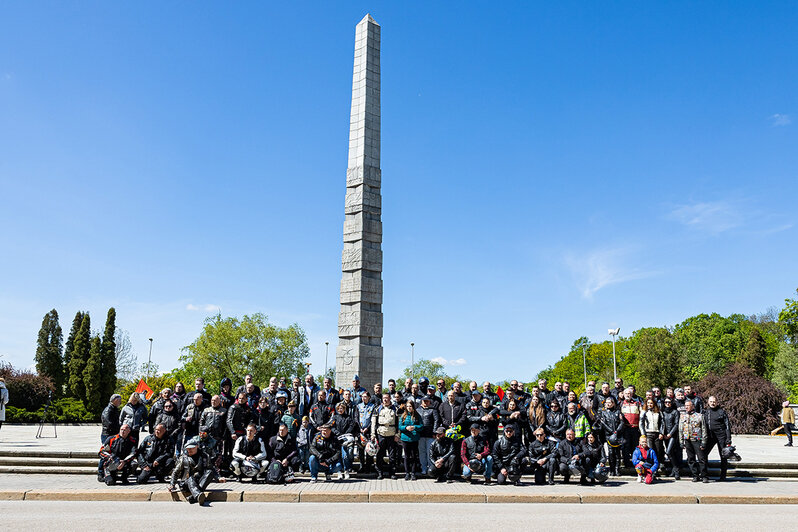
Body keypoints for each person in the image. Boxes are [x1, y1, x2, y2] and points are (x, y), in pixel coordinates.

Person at [703, 395, 732, 481]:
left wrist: (728, 439)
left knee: (723, 456)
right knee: (703, 454)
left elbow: (727, 425)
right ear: (708, 402)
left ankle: (723, 476)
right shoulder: (706, 412)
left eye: (714, 401)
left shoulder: (721, 412)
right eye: (711, 401)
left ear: (717, 402)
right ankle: (705, 475)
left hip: (721, 436)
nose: (712, 403)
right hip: (710, 436)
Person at [371, 393, 400, 480]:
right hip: (381, 435)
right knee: (379, 455)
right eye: (384, 398)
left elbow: (399, 423)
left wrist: (397, 434)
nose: (385, 400)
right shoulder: (377, 409)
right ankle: (380, 473)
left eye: (387, 398)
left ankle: (392, 473)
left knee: (392, 456)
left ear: (390, 398)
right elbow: (373, 423)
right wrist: (373, 435)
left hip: (392, 435)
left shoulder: (396, 409)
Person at [593, 396, 624, 476]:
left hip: (617, 435)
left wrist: (617, 431)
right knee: (611, 453)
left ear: (613, 403)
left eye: (610, 402)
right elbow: (603, 424)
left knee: (617, 453)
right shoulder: (603, 413)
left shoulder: (618, 412)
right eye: (607, 403)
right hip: (608, 435)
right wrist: (611, 431)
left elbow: (622, 422)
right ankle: (612, 469)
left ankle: (617, 469)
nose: (608, 404)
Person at [679, 399, 709, 483]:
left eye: (688, 405)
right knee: (690, 459)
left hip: (697, 439)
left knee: (701, 459)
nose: (686, 407)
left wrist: (704, 441)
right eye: (685, 406)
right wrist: (681, 442)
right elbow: (680, 429)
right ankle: (695, 475)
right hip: (687, 439)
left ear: (693, 406)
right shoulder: (682, 416)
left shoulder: (699, 416)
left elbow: (703, 429)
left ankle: (704, 476)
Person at [330, 400, 359, 477]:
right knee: (337, 457)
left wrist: (345, 434)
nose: (340, 410)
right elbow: (332, 427)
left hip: (346, 440)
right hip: (337, 439)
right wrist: (338, 433)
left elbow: (352, 426)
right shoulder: (335, 417)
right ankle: (339, 471)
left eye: (342, 408)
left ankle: (346, 470)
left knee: (345, 456)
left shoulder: (348, 418)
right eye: (339, 408)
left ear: (344, 409)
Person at [639, 398, 664, 476]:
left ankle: (657, 467)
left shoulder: (659, 412)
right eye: (648, 403)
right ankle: (651, 469)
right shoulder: (644, 412)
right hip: (648, 434)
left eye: (651, 403)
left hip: (657, 433)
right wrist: (643, 434)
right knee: (650, 451)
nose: (650, 405)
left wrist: (661, 433)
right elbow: (641, 423)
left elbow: (662, 423)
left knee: (658, 450)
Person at [418, 395, 441, 475]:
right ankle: (423, 468)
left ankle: (431, 468)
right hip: (420, 434)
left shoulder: (433, 410)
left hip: (430, 434)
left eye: (427, 401)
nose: (425, 402)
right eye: (424, 401)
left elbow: (436, 420)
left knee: (430, 452)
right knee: (422, 452)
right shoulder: (418, 410)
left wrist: (434, 432)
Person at [399, 400, 422, 480]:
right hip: (405, 438)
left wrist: (415, 427)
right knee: (406, 456)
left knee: (414, 456)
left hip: (414, 438)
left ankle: (413, 473)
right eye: (408, 406)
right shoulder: (403, 416)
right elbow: (400, 427)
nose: (409, 408)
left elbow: (421, 426)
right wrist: (406, 428)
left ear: (413, 407)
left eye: (410, 406)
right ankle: (407, 473)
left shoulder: (417, 416)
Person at [620, 387, 641, 467]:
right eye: (626, 393)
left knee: (635, 446)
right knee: (626, 446)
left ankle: (635, 462)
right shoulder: (621, 404)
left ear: (632, 394)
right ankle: (627, 463)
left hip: (635, 428)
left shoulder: (637, 403)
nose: (628, 395)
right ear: (623, 395)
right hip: (626, 428)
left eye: (629, 393)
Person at [661, 397, 682, 479]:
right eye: (666, 402)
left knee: (669, 451)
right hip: (665, 435)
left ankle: (676, 470)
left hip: (673, 435)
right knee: (671, 453)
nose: (667, 404)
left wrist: (670, 434)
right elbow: (662, 424)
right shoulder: (663, 412)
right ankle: (674, 469)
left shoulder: (675, 412)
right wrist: (663, 433)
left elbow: (676, 424)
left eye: (669, 402)